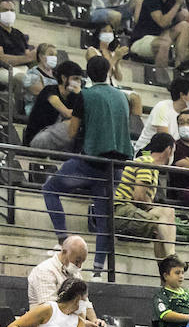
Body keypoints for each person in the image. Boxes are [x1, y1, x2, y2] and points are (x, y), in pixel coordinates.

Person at [43, 56, 133, 273]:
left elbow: (72, 131)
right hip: (117, 167)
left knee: (50, 188)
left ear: (88, 75)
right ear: (109, 71)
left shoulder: (86, 95)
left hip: (90, 163)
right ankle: (98, 272)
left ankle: (63, 241)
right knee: (103, 219)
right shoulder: (122, 96)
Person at [27, 236, 123, 327]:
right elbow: (51, 310)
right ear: (64, 252)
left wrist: (94, 321)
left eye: (82, 261)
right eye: (77, 261)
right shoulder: (44, 271)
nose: (79, 265)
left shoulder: (75, 272)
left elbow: (85, 302)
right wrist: (81, 324)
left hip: (74, 325)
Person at [114, 132, 178, 261]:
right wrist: (152, 207)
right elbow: (139, 197)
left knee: (168, 213)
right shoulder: (147, 162)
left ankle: (168, 265)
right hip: (122, 209)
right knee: (162, 226)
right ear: (169, 150)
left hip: (132, 209)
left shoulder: (151, 165)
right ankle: (172, 259)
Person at [152, 255, 189, 327]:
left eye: (182, 273)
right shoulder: (161, 295)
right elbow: (165, 314)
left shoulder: (188, 293)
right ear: (165, 276)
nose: (181, 276)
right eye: (177, 273)